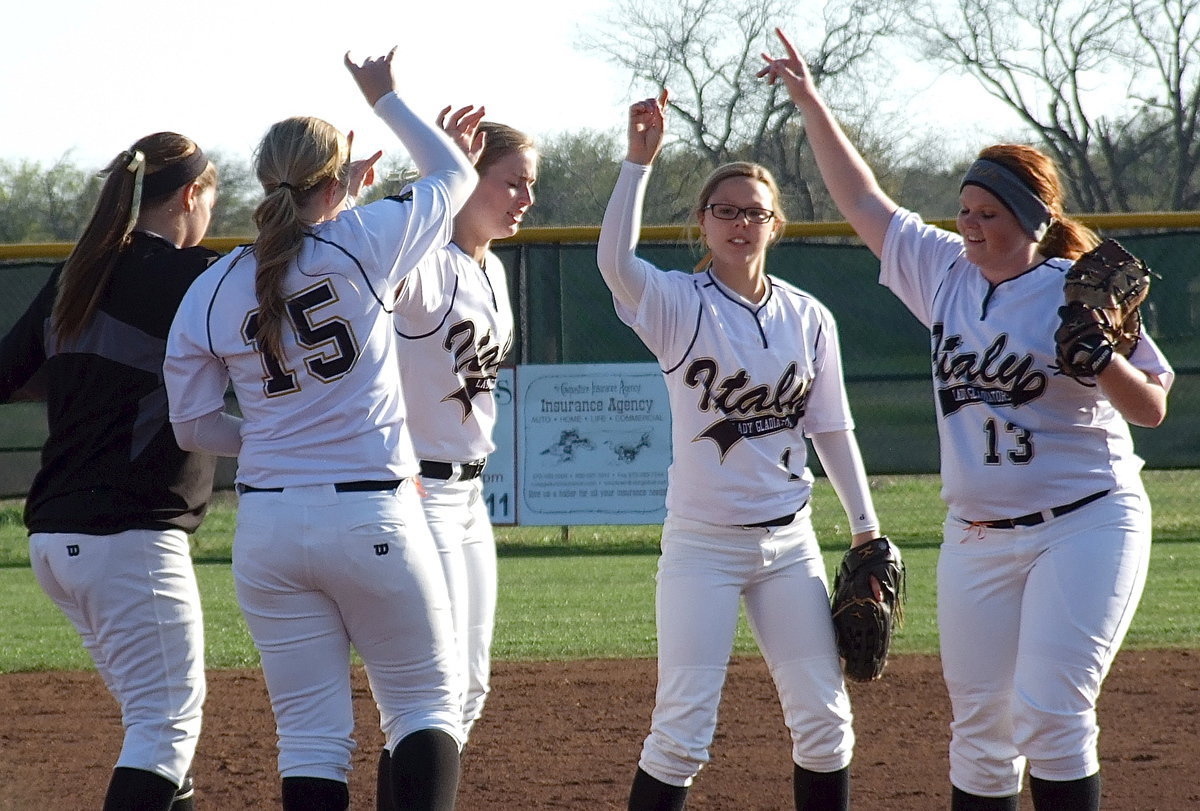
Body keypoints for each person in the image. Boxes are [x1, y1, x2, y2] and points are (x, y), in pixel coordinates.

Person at [758, 28, 1173, 811]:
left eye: (987, 213)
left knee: (1051, 714)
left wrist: (1103, 360)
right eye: (965, 211)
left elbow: (1151, 405)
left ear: (1031, 219)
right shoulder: (943, 271)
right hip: (977, 538)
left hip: (1085, 522)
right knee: (982, 735)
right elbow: (861, 199)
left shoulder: (1074, 288)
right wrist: (811, 103)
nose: (971, 224)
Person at [163, 49, 477, 811]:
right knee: (426, 706)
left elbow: (193, 424)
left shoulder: (210, 284)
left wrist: (272, 437)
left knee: (310, 737)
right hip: (371, 512)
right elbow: (457, 176)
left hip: (268, 525)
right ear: (335, 184)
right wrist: (386, 98)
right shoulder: (363, 240)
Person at [597, 89, 887, 811]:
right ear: (702, 220)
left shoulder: (808, 316)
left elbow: (831, 426)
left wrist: (866, 526)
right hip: (703, 544)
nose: (739, 222)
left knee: (825, 725)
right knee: (683, 731)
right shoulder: (675, 305)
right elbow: (612, 260)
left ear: (774, 224)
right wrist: (638, 163)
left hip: (790, 543)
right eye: (724, 209)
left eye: (754, 211)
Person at [0, 133, 219, 810]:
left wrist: (88, 384)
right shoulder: (196, 278)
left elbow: (12, 375)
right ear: (191, 194)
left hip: (56, 539)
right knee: (165, 728)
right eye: (212, 194)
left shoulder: (80, 270)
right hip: (128, 536)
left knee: (153, 728)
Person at [393, 110, 533, 739]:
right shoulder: (427, 266)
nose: (525, 199)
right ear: (466, 180)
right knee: (433, 693)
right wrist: (436, 168)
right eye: (511, 182)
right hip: (420, 492)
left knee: (470, 688)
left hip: (470, 496)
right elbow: (394, 250)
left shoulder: (494, 270)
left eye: (530, 185)